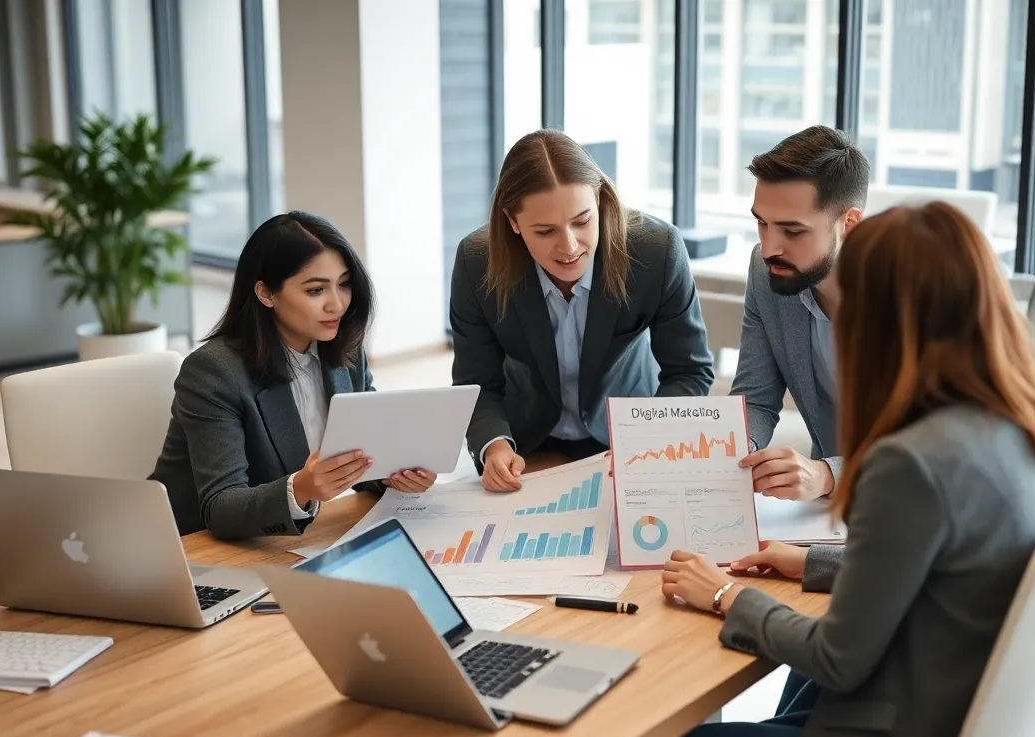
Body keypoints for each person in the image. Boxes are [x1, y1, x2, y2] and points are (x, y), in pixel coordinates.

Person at [629, 201, 1035, 737]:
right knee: (794, 697)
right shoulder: (1026, 428)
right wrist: (812, 559)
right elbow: (953, 567)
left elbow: (839, 657)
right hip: (967, 730)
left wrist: (726, 593)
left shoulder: (912, 463)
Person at [450, 129, 715, 496]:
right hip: (528, 443)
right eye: (545, 231)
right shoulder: (476, 263)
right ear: (513, 223)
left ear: (600, 200)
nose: (570, 246)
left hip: (630, 443)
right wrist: (494, 444)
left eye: (582, 221)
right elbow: (476, 384)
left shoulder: (657, 250)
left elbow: (689, 371)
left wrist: (650, 444)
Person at [151, 212, 436, 540]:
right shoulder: (214, 372)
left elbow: (365, 453)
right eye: (316, 290)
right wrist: (300, 488)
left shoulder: (345, 351)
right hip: (191, 547)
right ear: (266, 294)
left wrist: (391, 475)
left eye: (344, 284)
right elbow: (220, 506)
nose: (338, 305)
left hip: (281, 544)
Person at [729, 124, 869, 599]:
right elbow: (754, 398)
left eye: (792, 231)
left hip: (908, 512)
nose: (770, 247)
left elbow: (931, 443)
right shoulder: (765, 272)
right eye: (761, 223)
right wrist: (727, 454)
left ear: (848, 225)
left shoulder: (907, 294)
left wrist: (828, 473)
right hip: (827, 518)